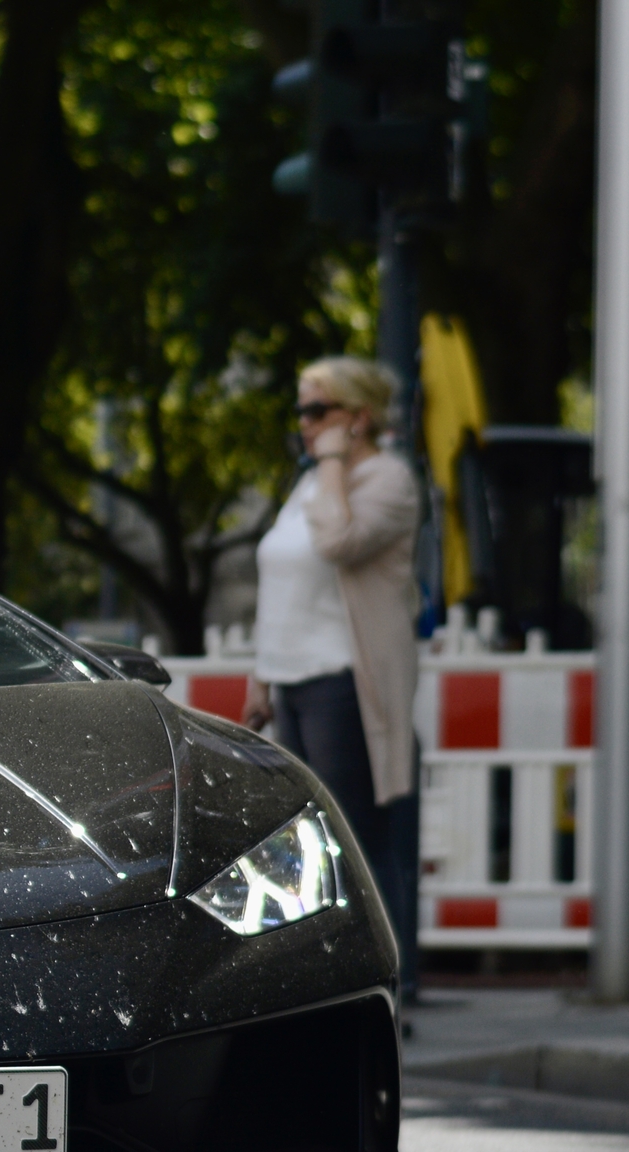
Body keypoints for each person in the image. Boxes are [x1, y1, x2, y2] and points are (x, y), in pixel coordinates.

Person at [243, 356, 424, 1003]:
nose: (305, 423)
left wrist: (331, 465)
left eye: (318, 410)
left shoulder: (386, 480)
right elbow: (282, 584)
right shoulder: (315, 482)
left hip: (345, 682)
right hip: (292, 681)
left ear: (358, 416)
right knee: (303, 846)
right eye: (301, 410)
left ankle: (384, 985)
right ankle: (323, 984)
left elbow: (339, 543)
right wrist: (262, 674)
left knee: (356, 841)